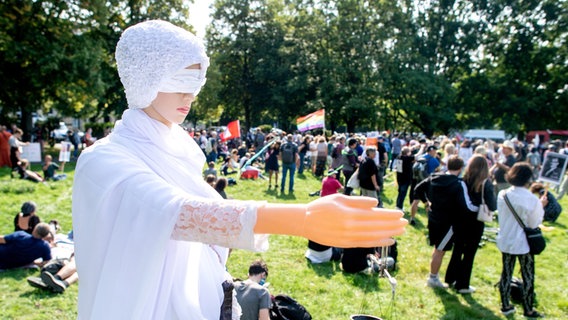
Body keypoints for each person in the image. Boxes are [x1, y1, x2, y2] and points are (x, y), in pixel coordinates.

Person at [72, 20, 406, 320]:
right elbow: (176, 213)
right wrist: (302, 218)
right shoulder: (103, 161)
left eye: (197, 80)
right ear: (146, 77)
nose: (190, 93)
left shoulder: (178, 149)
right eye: (180, 79)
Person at [413, 156, 478, 288]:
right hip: (448, 222)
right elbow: (466, 205)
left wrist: (426, 203)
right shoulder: (459, 184)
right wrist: (481, 209)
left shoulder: (434, 177)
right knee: (440, 250)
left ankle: (434, 276)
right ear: (460, 168)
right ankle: (433, 278)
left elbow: (418, 189)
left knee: (438, 248)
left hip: (433, 217)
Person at [497, 163, 546, 318]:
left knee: (506, 273)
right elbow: (534, 224)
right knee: (528, 275)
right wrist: (541, 205)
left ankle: (505, 305)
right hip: (523, 242)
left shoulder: (502, 194)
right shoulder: (532, 199)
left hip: (506, 238)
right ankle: (528, 308)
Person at [445, 155, 496, 294]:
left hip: (460, 219)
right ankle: (463, 284)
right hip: (476, 222)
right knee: (469, 253)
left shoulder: (463, 180)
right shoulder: (486, 183)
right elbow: (492, 205)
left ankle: (450, 278)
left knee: (458, 250)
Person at [305, 168, 343, 264]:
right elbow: (342, 189)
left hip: (323, 201)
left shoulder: (324, 180)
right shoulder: (335, 181)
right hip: (331, 203)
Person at [395, 147, 414, 212]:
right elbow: (415, 157)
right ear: (407, 153)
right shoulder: (406, 158)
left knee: (400, 193)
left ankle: (398, 205)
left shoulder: (399, 157)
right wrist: (422, 148)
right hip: (405, 179)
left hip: (400, 178)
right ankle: (399, 207)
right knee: (402, 193)